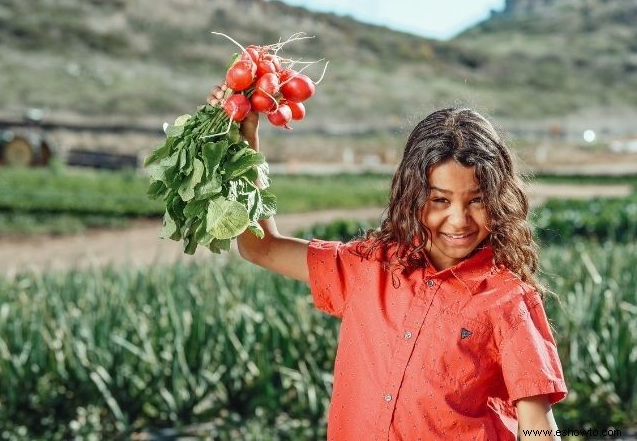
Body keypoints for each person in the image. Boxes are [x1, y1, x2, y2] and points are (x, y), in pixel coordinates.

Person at [235, 106, 567, 440]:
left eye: (477, 201)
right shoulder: (367, 266)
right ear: (412, 194)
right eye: (439, 200)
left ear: (497, 200)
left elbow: (537, 427)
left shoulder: (507, 299)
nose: (459, 219)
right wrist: (244, 141)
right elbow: (259, 246)